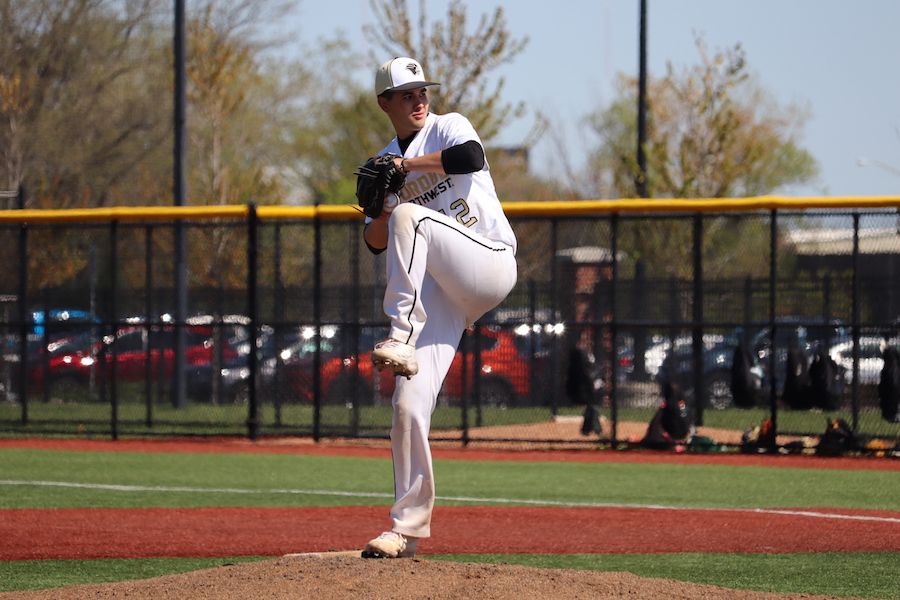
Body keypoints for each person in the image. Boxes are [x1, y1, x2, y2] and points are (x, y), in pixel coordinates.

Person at [360, 57, 518, 559]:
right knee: (407, 406)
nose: (418, 100)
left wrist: (405, 171)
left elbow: (469, 158)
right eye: (406, 94)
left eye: (421, 91)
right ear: (385, 103)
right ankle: (404, 531)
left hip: (489, 261)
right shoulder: (385, 160)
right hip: (443, 294)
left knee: (414, 214)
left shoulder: (448, 127)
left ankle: (399, 336)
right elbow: (376, 243)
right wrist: (376, 202)